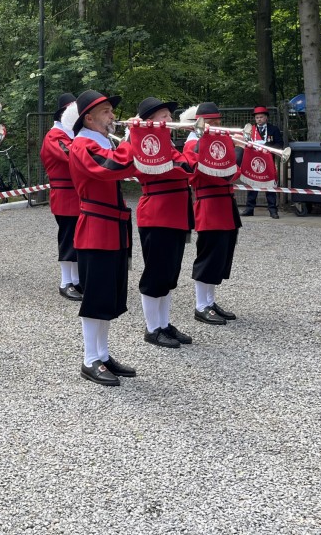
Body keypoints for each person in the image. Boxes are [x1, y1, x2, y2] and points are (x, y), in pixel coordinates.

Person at [68, 90, 137, 387]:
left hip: (111, 226)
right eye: (107, 111)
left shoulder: (103, 141)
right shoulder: (82, 144)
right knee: (95, 296)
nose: (112, 117)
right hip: (96, 227)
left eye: (111, 111)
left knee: (108, 295)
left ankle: (103, 354)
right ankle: (89, 359)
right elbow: (112, 167)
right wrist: (137, 140)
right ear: (89, 117)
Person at [130, 97, 195, 348]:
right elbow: (181, 168)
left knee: (170, 275)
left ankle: (164, 324)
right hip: (157, 214)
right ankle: (151, 328)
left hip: (176, 215)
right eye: (164, 116)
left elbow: (188, 167)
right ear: (150, 122)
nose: (169, 120)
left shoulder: (168, 143)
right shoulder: (146, 144)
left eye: (169, 115)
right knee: (155, 274)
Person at [182, 101, 241, 326]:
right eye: (211, 122)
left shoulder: (218, 142)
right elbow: (203, 172)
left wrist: (241, 151)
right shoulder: (193, 144)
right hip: (209, 204)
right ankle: (201, 305)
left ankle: (210, 301)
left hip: (225, 203)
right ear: (200, 123)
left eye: (218, 121)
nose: (216, 125)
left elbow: (232, 174)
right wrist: (235, 150)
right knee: (208, 256)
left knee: (221, 256)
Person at [39, 93, 82, 301]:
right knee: (67, 238)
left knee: (77, 238)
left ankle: (75, 280)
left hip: (76, 194)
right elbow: (71, 156)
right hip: (65, 195)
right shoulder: (55, 136)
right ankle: (66, 282)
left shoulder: (70, 134)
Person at [241, 106, 282, 219]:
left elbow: (279, 144)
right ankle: (249, 209)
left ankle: (273, 210)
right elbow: (243, 143)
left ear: (266, 118)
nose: (259, 119)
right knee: (252, 183)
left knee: (269, 184)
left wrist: (267, 147)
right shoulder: (250, 130)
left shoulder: (274, 129)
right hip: (253, 161)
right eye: (257, 117)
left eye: (261, 117)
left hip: (268, 160)